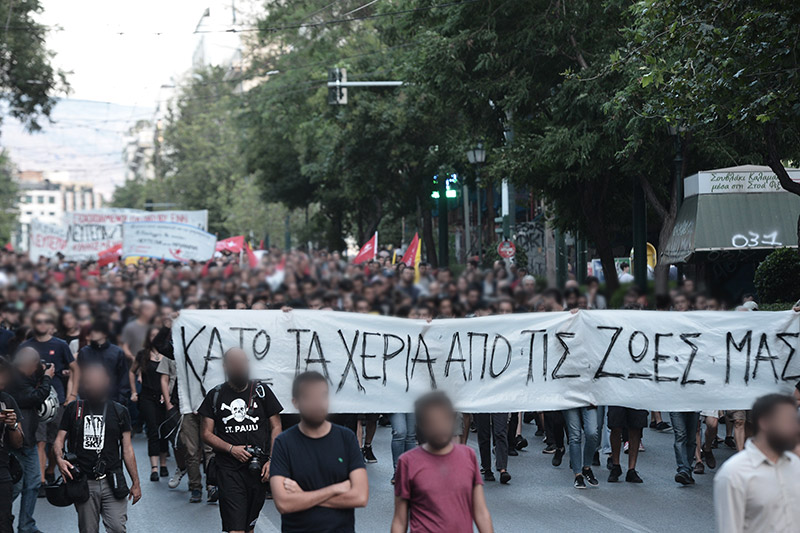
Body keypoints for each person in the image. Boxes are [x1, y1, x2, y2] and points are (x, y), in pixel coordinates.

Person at [270, 371, 368, 533]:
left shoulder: (346, 438)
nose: (317, 403)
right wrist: (334, 489)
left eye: (322, 396)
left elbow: (360, 497)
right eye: (309, 397)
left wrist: (302, 495)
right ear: (295, 402)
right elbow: (284, 504)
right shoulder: (283, 443)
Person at [199, 348, 283, 533]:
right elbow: (206, 433)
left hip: (257, 469)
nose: (240, 367)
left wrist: (272, 460)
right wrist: (231, 449)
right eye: (235, 363)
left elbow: (276, 426)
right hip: (229, 470)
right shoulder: (216, 395)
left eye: (243, 362)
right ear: (225, 366)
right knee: (236, 529)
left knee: (248, 527)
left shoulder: (261, 392)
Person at [54, 363, 141, 533]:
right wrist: (59, 458)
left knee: (117, 527)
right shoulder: (74, 409)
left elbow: (127, 449)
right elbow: (59, 440)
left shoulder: (119, 411)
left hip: (112, 480)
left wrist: (136, 482)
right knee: (88, 529)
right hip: (84, 482)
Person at [391, 391, 493, 533]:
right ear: (421, 425)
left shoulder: (468, 456)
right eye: (433, 422)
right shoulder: (407, 462)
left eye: (444, 420)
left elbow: (481, 512)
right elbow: (400, 520)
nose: (440, 428)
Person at [714, 394, 800, 532]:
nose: (795, 428)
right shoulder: (734, 473)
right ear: (765, 423)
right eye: (787, 422)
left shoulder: (795, 464)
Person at [19, 310, 78, 490]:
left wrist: (72, 395)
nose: (42, 324)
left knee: (54, 440)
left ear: (51, 324)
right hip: (35, 398)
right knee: (40, 440)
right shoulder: (26, 346)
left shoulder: (60, 345)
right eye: (38, 321)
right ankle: (42, 480)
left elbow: (76, 368)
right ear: (33, 323)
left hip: (57, 398)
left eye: (46, 321)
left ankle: (51, 469)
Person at [8, 347, 54, 533]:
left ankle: (26, 525)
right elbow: (33, 397)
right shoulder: (12, 379)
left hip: (29, 441)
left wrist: (43, 374)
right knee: (14, 487)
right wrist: (47, 377)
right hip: (15, 442)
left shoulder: (26, 377)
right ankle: (4, 520)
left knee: (33, 483)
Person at [128, 327, 168, 482]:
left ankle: (163, 464)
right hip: (147, 396)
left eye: (157, 335)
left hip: (164, 397)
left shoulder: (168, 354)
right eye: (152, 335)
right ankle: (154, 467)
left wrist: (168, 394)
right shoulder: (143, 354)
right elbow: (132, 371)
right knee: (152, 430)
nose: (155, 338)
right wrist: (134, 392)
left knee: (164, 430)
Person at [77, 321, 130, 404]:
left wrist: (121, 399)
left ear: (105, 334)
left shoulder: (117, 352)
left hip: (113, 399)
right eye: (92, 331)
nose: (93, 333)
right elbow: (80, 376)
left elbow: (123, 377)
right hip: (88, 399)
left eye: (97, 331)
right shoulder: (84, 352)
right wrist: (83, 396)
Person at [0, 356, 23, 533]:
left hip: (2, 470)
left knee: (5, 522)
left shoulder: (7, 400)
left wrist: (13, 426)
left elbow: (18, 443)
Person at [562, 405, 600, 489]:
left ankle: (587, 468)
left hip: (588, 400)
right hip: (570, 401)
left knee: (592, 433)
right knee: (574, 436)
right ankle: (578, 475)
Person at [606, 406, 645, 483]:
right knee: (615, 427)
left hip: (637, 400)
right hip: (617, 400)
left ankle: (631, 469)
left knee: (636, 428)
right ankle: (616, 465)